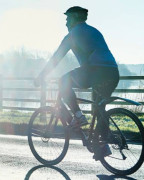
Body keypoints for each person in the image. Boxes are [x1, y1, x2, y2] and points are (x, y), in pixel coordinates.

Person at [34, 6, 119, 160]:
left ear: (74, 19)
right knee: (99, 109)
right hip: (112, 73)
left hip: (95, 71)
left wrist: (41, 76)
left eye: (67, 19)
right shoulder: (94, 31)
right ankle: (102, 145)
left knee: (63, 80)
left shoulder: (72, 35)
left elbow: (56, 59)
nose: (66, 23)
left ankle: (78, 117)